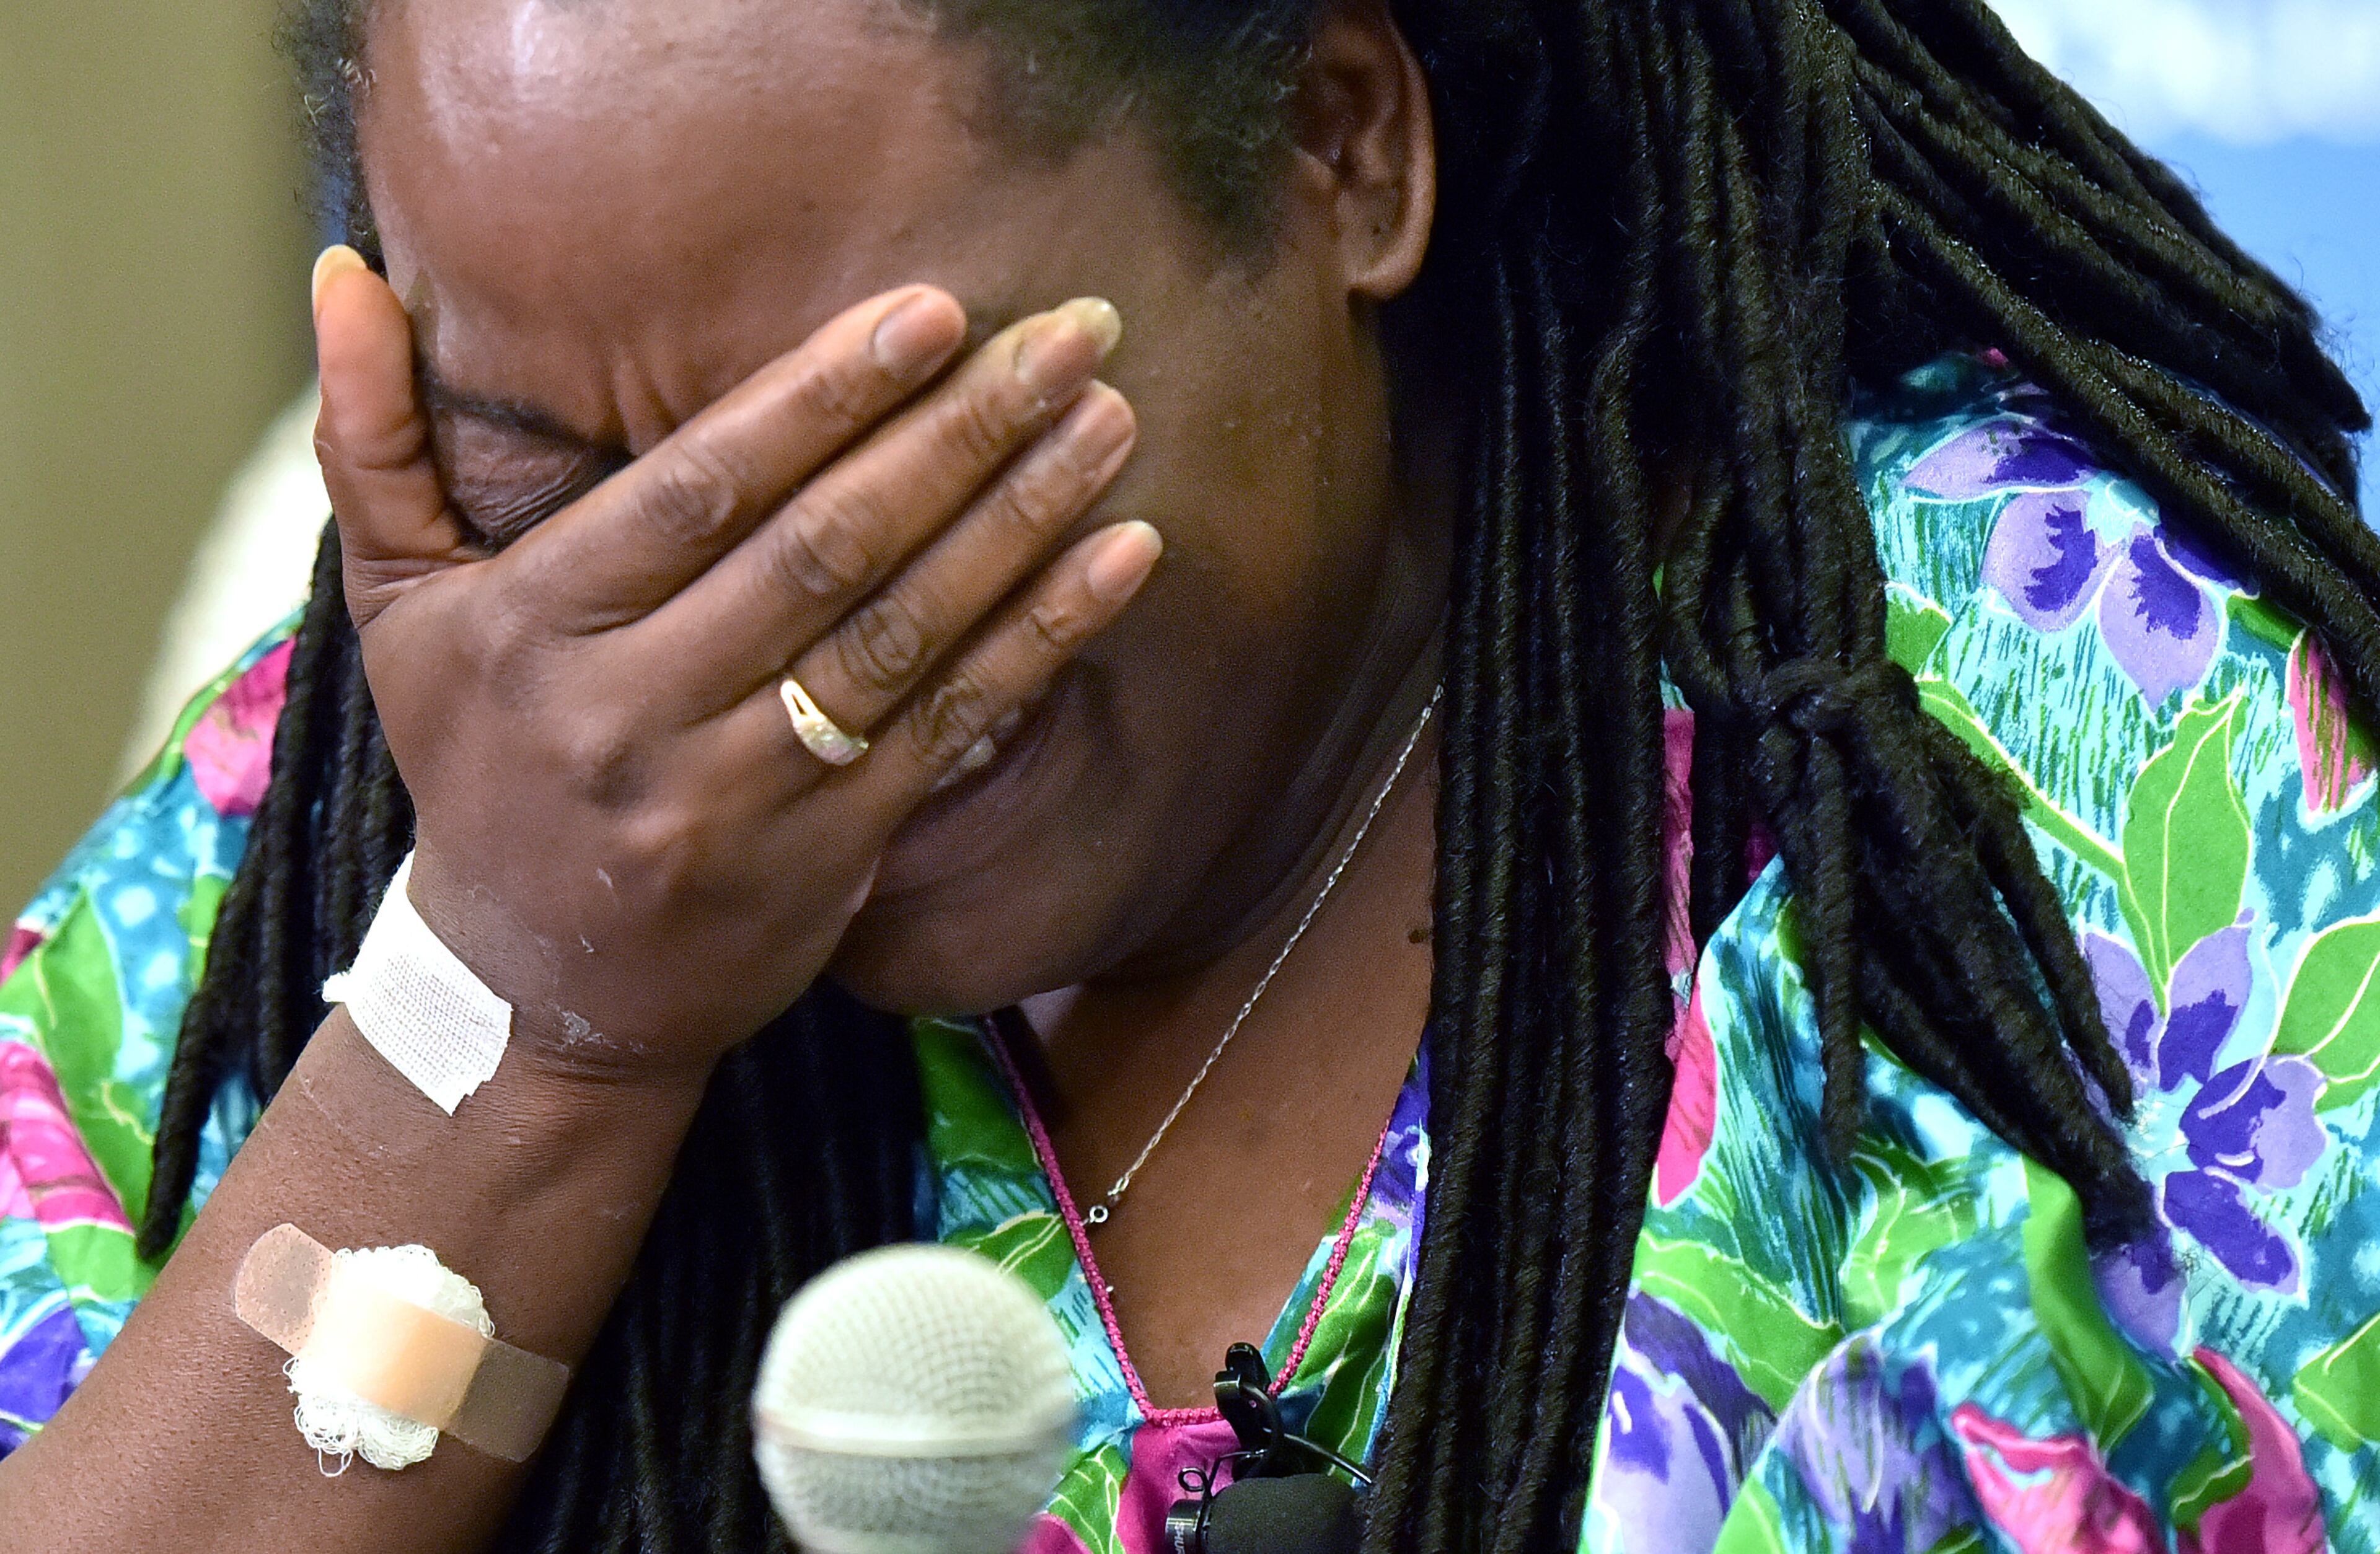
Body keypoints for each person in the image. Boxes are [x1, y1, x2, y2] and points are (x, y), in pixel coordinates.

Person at [1, 0, 2375, 1548]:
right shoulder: (404, 814)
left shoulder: (2071, 787)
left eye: (886, 466)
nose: (712, 677)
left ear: (1337, 150)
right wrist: (524, 1017)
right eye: (553, 490)